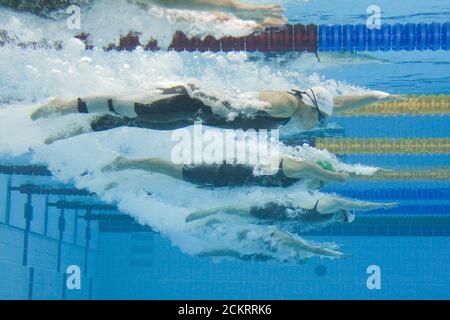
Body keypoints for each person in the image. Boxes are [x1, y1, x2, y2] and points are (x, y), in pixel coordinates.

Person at [31, 83, 400, 143]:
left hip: (197, 115)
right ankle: (66, 106)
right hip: (194, 104)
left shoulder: (302, 106)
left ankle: (74, 129)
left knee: (134, 120)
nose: (316, 125)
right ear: (310, 108)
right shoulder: (286, 104)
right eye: (319, 119)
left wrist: (378, 96)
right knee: (131, 109)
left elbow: (343, 101)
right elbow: (235, 103)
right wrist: (196, 93)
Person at [101, 155, 349, 188]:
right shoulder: (300, 167)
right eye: (321, 182)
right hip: (229, 170)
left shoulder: (296, 179)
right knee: (177, 171)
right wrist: (337, 176)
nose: (320, 186)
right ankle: (127, 162)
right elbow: (313, 168)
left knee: (177, 174)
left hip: (231, 178)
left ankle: (130, 171)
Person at [0, 0, 286, 28]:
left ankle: (232, 21)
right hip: (55, 10)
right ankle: (234, 19)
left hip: (55, 12)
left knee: (146, 10)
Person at [186, 195, 398, 223]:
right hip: (275, 210)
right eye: (342, 219)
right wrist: (381, 205)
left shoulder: (325, 213)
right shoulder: (329, 206)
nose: (339, 220)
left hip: (277, 211)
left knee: (235, 211)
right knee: (233, 209)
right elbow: (358, 204)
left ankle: (204, 214)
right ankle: (202, 213)